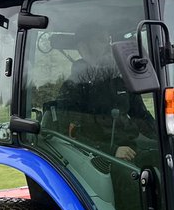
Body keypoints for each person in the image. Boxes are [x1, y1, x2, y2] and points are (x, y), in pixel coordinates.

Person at [63, 24, 155, 162]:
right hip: (96, 159)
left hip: (130, 150)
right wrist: (111, 151)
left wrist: (169, 137)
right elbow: (71, 134)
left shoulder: (120, 80)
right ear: (83, 47)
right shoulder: (73, 87)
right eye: (101, 40)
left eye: (108, 40)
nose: (108, 46)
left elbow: (142, 117)